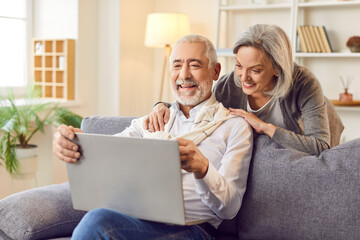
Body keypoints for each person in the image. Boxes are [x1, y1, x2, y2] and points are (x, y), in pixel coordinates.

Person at [53, 34, 253, 239]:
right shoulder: (151, 121)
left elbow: (229, 208)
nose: (184, 75)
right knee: (99, 218)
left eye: (194, 65)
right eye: (176, 65)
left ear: (215, 71)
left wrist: (203, 169)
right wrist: (73, 143)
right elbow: (108, 151)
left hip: (194, 229)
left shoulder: (234, 128)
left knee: (99, 222)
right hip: (136, 221)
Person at [145, 24, 344, 156]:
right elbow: (199, 101)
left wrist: (264, 126)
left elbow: (320, 146)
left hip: (324, 135)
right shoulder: (231, 84)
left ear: (277, 68)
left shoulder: (304, 84)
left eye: (255, 70)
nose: (244, 78)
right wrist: (162, 106)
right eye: (239, 66)